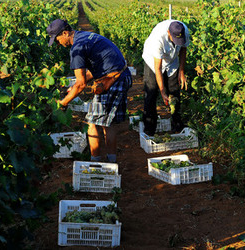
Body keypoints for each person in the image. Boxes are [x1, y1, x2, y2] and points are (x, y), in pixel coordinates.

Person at [47, 19, 131, 163]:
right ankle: (111, 162)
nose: (58, 43)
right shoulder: (85, 36)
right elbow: (95, 69)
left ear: (65, 33)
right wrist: (73, 88)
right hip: (122, 76)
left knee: (92, 123)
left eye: (57, 39)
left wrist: (64, 102)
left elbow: (81, 84)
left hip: (113, 81)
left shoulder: (77, 48)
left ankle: (95, 163)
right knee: (107, 123)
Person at [141, 20, 190, 136]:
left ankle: (177, 125)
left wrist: (181, 71)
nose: (178, 42)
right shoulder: (158, 40)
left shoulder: (184, 31)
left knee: (174, 91)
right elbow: (157, 68)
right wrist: (162, 91)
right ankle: (149, 129)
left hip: (172, 62)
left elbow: (183, 49)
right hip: (153, 61)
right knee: (151, 91)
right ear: (168, 32)